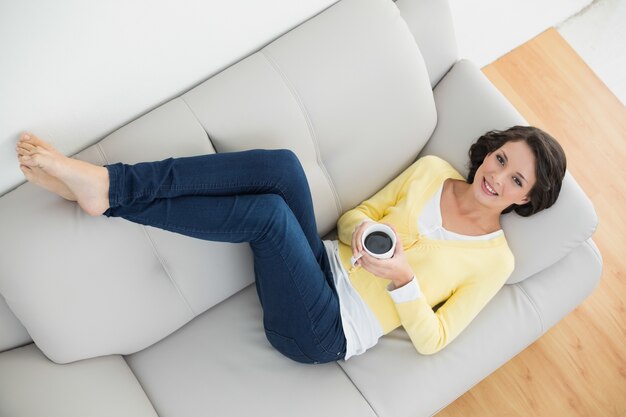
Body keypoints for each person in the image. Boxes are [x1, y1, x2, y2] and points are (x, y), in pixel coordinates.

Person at [15, 125, 566, 364]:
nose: (497, 178)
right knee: (282, 167)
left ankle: (107, 194)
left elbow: (435, 339)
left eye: (516, 181)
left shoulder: (496, 260)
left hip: (323, 330)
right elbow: (359, 216)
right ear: (490, 152)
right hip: (322, 264)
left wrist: (402, 278)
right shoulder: (432, 172)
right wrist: (363, 239)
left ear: (525, 200)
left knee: (270, 216)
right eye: (501, 160)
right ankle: (111, 187)